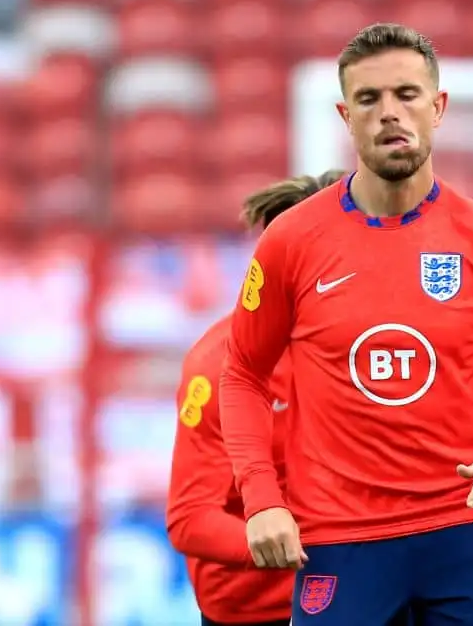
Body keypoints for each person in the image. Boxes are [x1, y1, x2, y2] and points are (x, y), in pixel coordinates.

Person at [220, 22, 473, 625]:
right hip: (339, 542)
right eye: (368, 99)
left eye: (406, 95)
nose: (389, 113)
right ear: (344, 116)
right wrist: (260, 500)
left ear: (439, 107)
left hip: (464, 534)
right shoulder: (291, 242)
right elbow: (242, 373)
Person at [167, 170, 344, 626]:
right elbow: (190, 518)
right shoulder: (217, 364)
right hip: (259, 608)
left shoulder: (374, 346)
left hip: (366, 591)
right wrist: (296, 542)